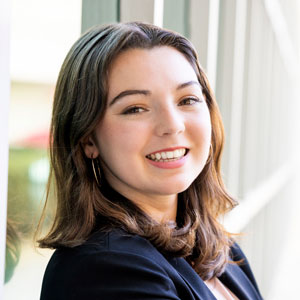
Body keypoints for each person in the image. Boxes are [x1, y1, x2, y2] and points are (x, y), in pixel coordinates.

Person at [37, 22, 263, 300]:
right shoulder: (103, 269)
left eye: (187, 100)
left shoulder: (219, 248)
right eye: (135, 108)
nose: (172, 125)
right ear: (88, 139)